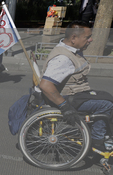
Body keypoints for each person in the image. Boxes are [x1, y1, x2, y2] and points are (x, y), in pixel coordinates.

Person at [37, 21, 112, 152]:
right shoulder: (63, 58)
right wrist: (64, 106)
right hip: (67, 97)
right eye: (87, 37)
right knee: (106, 104)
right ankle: (97, 139)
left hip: (75, 92)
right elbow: (45, 85)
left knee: (107, 96)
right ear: (73, 38)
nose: (91, 39)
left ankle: (103, 131)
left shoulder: (71, 49)